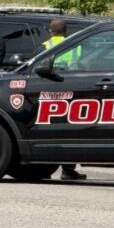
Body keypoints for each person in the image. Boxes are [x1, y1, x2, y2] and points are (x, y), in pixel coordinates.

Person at [40, 17, 87, 181]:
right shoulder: (76, 46)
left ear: (50, 31)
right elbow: (83, 67)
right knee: (69, 131)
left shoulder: (44, 46)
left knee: (47, 130)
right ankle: (68, 170)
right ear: (66, 31)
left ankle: (43, 168)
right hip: (69, 90)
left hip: (48, 92)